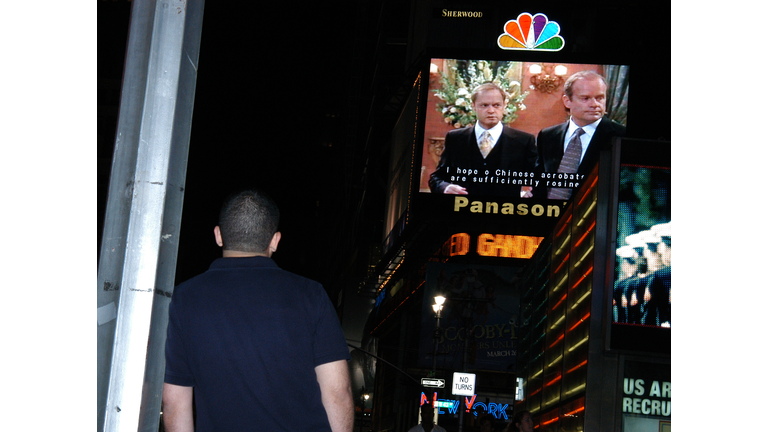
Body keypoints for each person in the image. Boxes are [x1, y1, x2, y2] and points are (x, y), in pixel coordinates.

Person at [162, 189, 354, 431]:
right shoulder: (311, 295)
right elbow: (338, 393)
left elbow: (174, 402)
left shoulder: (183, 300)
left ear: (218, 235)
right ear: (275, 241)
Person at [429, 82, 537, 197]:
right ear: (473, 106)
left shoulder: (523, 141)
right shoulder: (455, 138)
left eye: (496, 105)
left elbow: (540, 177)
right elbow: (437, 177)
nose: (491, 111)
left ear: (504, 106)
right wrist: (445, 187)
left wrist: (532, 194)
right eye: (484, 105)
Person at [534, 71, 626, 199]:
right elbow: (540, 181)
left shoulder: (622, 136)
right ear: (567, 101)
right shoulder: (548, 136)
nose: (594, 104)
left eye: (599, 98)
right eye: (585, 98)